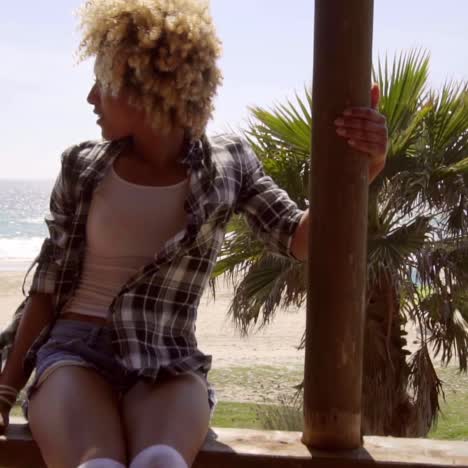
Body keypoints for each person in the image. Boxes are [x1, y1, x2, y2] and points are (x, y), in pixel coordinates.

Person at [0, 0, 389, 467]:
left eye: (102, 81)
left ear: (145, 82)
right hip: (74, 353)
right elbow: (46, 288)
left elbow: (300, 238)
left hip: (168, 357)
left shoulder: (229, 164)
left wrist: (360, 171)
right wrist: (5, 391)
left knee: (160, 462)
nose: (90, 98)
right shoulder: (82, 166)